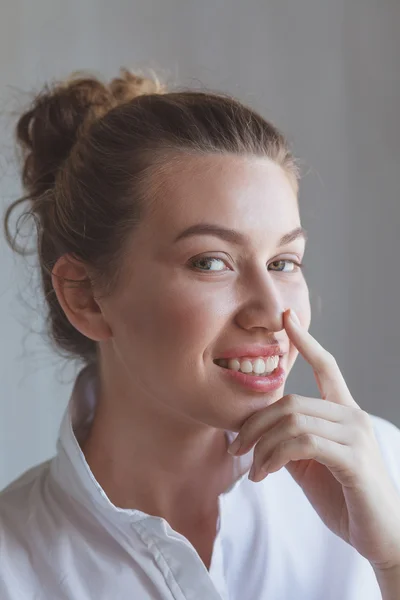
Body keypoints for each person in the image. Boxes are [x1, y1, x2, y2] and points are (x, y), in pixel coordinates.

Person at [0, 68, 400, 600]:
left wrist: (391, 560)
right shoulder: (12, 564)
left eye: (283, 262)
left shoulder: (385, 472)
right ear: (86, 296)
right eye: (211, 261)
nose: (271, 310)